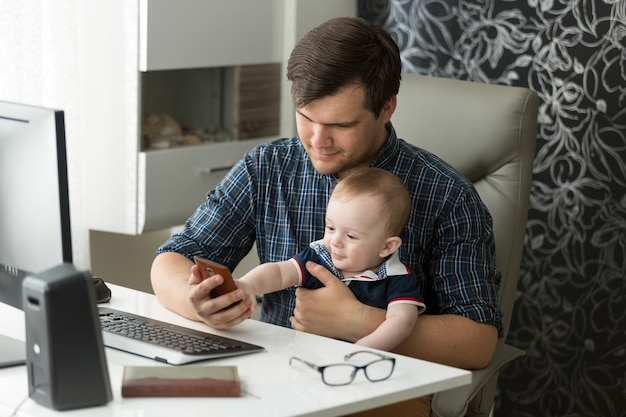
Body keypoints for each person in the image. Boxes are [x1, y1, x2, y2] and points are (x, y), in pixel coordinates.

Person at [151, 16, 502, 416]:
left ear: (386, 107)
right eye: (306, 117)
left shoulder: (447, 195)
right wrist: (193, 300)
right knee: (153, 396)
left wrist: (356, 320)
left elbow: (478, 341)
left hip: (379, 383)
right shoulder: (268, 167)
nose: (317, 141)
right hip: (274, 375)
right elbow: (173, 258)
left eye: (339, 124)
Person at [236, 167, 426, 352]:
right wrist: (249, 285)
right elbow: (279, 272)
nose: (335, 241)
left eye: (351, 236)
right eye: (331, 228)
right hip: (302, 358)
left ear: (387, 247)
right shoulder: (320, 256)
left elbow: (401, 322)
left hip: (359, 367)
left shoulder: (397, 277)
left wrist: (361, 351)